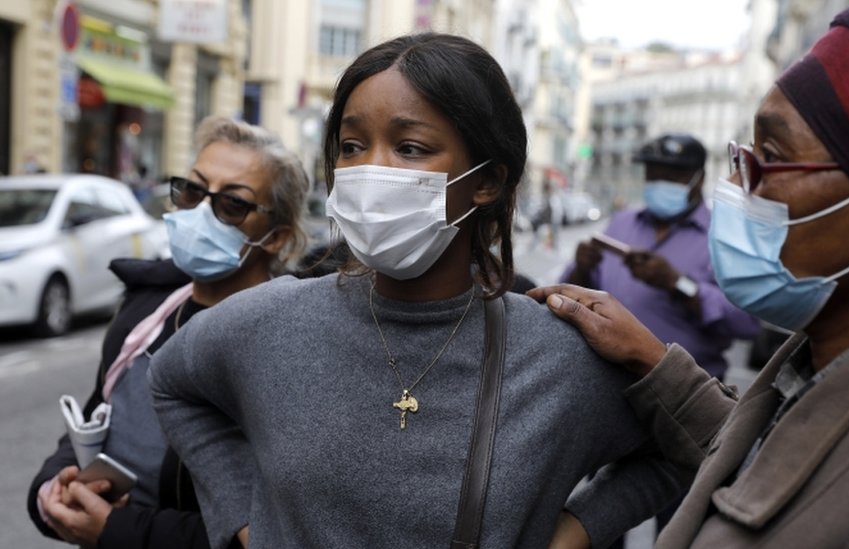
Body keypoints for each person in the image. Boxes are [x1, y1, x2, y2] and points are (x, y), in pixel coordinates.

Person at [147, 33, 731, 549]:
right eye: (351, 147)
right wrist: (249, 523)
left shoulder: (558, 357)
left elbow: (705, 447)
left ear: (489, 181)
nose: (371, 170)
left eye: (410, 147)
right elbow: (173, 385)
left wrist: (578, 529)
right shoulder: (268, 322)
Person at [530, 0, 849, 546]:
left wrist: (681, 286)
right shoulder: (826, 352)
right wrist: (649, 358)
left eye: (770, 156)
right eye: (743, 159)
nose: (742, 192)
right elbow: (772, 457)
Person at [26, 115, 309, 549]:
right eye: (192, 190)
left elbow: (277, 527)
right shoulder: (146, 307)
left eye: (232, 204)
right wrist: (53, 489)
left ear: (276, 237)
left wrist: (117, 532)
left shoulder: (289, 345)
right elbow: (97, 415)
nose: (200, 213)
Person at [562, 133, 758, 382]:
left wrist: (676, 283)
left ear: (698, 179)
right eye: (652, 175)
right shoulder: (621, 223)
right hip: (602, 383)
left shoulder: (724, 236)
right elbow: (574, 291)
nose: (659, 183)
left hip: (683, 393)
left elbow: (746, 323)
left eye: (671, 177)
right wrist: (582, 268)